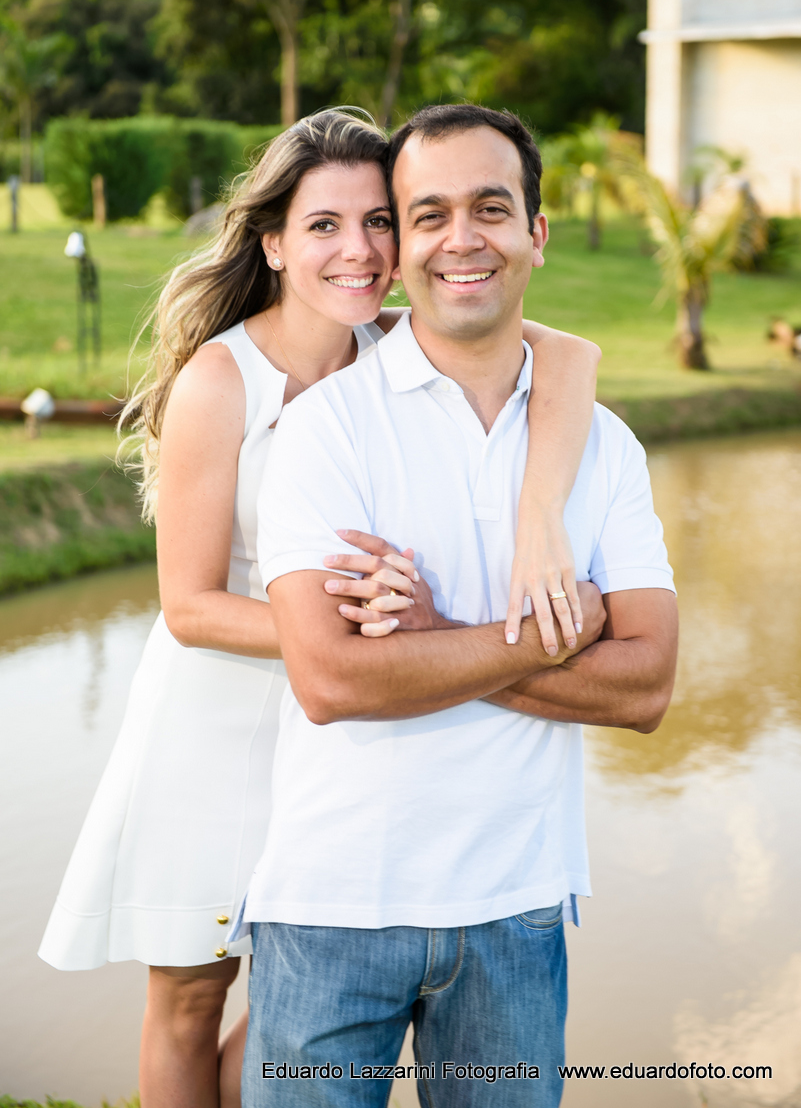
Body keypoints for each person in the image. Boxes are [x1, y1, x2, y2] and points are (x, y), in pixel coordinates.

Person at [37, 109, 601, 1108]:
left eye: (379, 222)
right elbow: (189, 605)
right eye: (326, 226)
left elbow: (571, 358)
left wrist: (541, 516)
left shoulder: (395, 348)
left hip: (336, 739)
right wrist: (336, 634)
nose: (362, 250)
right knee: (191, 993)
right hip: (217, 725)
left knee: (313, 979)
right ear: (274, 244)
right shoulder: (224, 378)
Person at [240, 104, 679, 1107]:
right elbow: (332, 677)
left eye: (492, 206)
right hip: (331, 902)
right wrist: (567, 637)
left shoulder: (602, 444)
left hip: (517, 910)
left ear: (538, 231)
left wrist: (434, 642)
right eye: (427, 214)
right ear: (397, 246)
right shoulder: (326, 431)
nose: (462, 238)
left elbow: (647, 684)